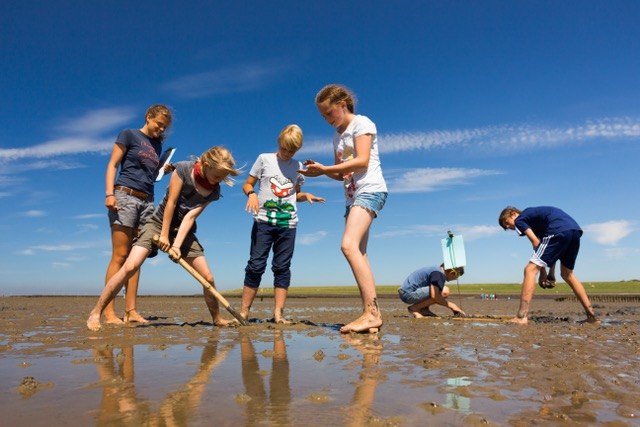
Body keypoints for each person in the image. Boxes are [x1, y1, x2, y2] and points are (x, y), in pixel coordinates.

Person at [87, 146, 241, 331]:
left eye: (223, 177)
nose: (219, 180)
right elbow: (171, 203)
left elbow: (190, 217)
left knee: (208, 277)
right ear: (206, 165)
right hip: (158, 223)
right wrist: (164, 236)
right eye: (217, 176)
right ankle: (96, 312)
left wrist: (176, 245)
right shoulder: (183, 169)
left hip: (183, 231)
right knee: (130, 266)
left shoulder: (214, 191)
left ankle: (217, 318)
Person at [300, 84, 388, 334]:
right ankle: (372, 314)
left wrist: (326, 169)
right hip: (352, 197)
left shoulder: (362, 123)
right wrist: (319, 171)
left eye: (329, 113)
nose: (327, 119)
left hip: (370, 190)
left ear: (342, 105)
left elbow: (362, 162)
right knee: (359, 252)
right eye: (322, 116)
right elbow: (341, 174)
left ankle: (371, 314)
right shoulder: (336, 136)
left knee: (348, 246)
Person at [240, 124, 325, 323]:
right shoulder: (264, 159)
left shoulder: (298, 167)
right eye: (285, 148)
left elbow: (294, 195)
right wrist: (251, 194)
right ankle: (244, 312)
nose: (287, 153)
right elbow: (247, 184)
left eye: (292, 151)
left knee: (282, 267)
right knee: (256, 265)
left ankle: (278, 315)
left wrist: (306, 195)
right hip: (263, 222)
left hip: (288, 225)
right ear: (279, 142)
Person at [103, 104, 173, 325]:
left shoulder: (157, 145)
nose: (161, 130)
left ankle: (131, 310)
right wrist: (109, 194)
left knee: (136, 258)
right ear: (148, 117)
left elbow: (150, 176)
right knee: (120, 255)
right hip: (125, 196)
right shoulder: (129, 134)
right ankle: (108, 312)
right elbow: (113, 165)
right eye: (158, 124)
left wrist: (162, 171)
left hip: (147, 201)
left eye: (164, 127)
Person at [498, 205, 599, 325]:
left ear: (513, 213)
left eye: (506, 223)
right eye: (505, 227)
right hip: (574, 231)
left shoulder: (520, 219)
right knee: (567, 274)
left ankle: (521, 317)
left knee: (529, 270)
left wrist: (542, 273)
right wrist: (551, 274)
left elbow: (536, 243)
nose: (508, 227)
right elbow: (550, 251)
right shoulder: (536, 220)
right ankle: (592, 317)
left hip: (558, 230)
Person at [398, 265, 467, 318]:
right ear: (453, 273)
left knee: (436, 289)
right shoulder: (438, 274)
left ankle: (424, 310)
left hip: (406, 292)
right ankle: (414, 308)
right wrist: (453, 306)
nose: (456, 279)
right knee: (444, 291)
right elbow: (435, 296)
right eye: (457, 276)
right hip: (408, 294)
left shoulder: (436, 270)